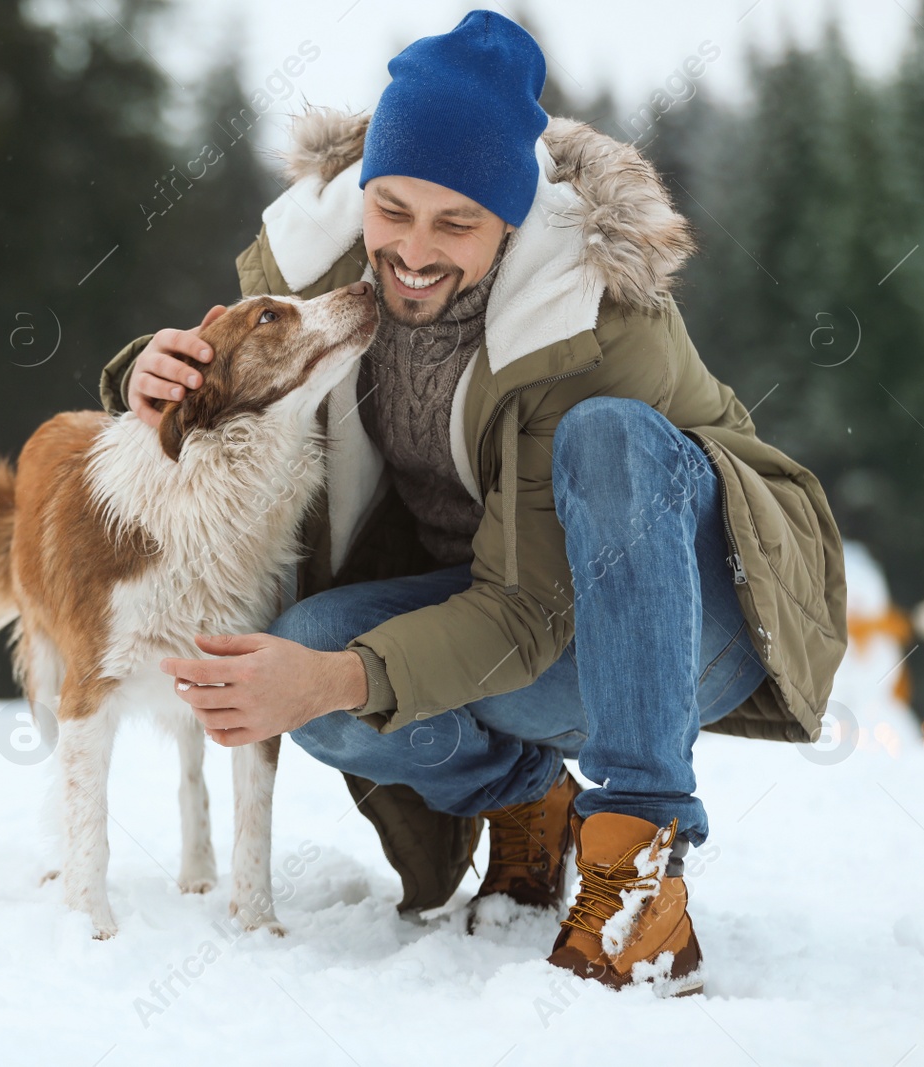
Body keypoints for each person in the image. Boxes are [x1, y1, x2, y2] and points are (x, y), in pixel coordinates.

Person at [97, 11, 848, 996]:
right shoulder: (320, 271)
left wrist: (337, 678)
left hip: (694, 613)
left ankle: (635, 874)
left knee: (606, 438)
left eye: (456, 223)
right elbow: (235, 389)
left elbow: (531, 610)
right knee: (310, 642)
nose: (411, 250)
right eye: (393, 208)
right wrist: (139, 377)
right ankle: (527, 800)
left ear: (511, 218)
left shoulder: (593, 315)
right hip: (506, 609)